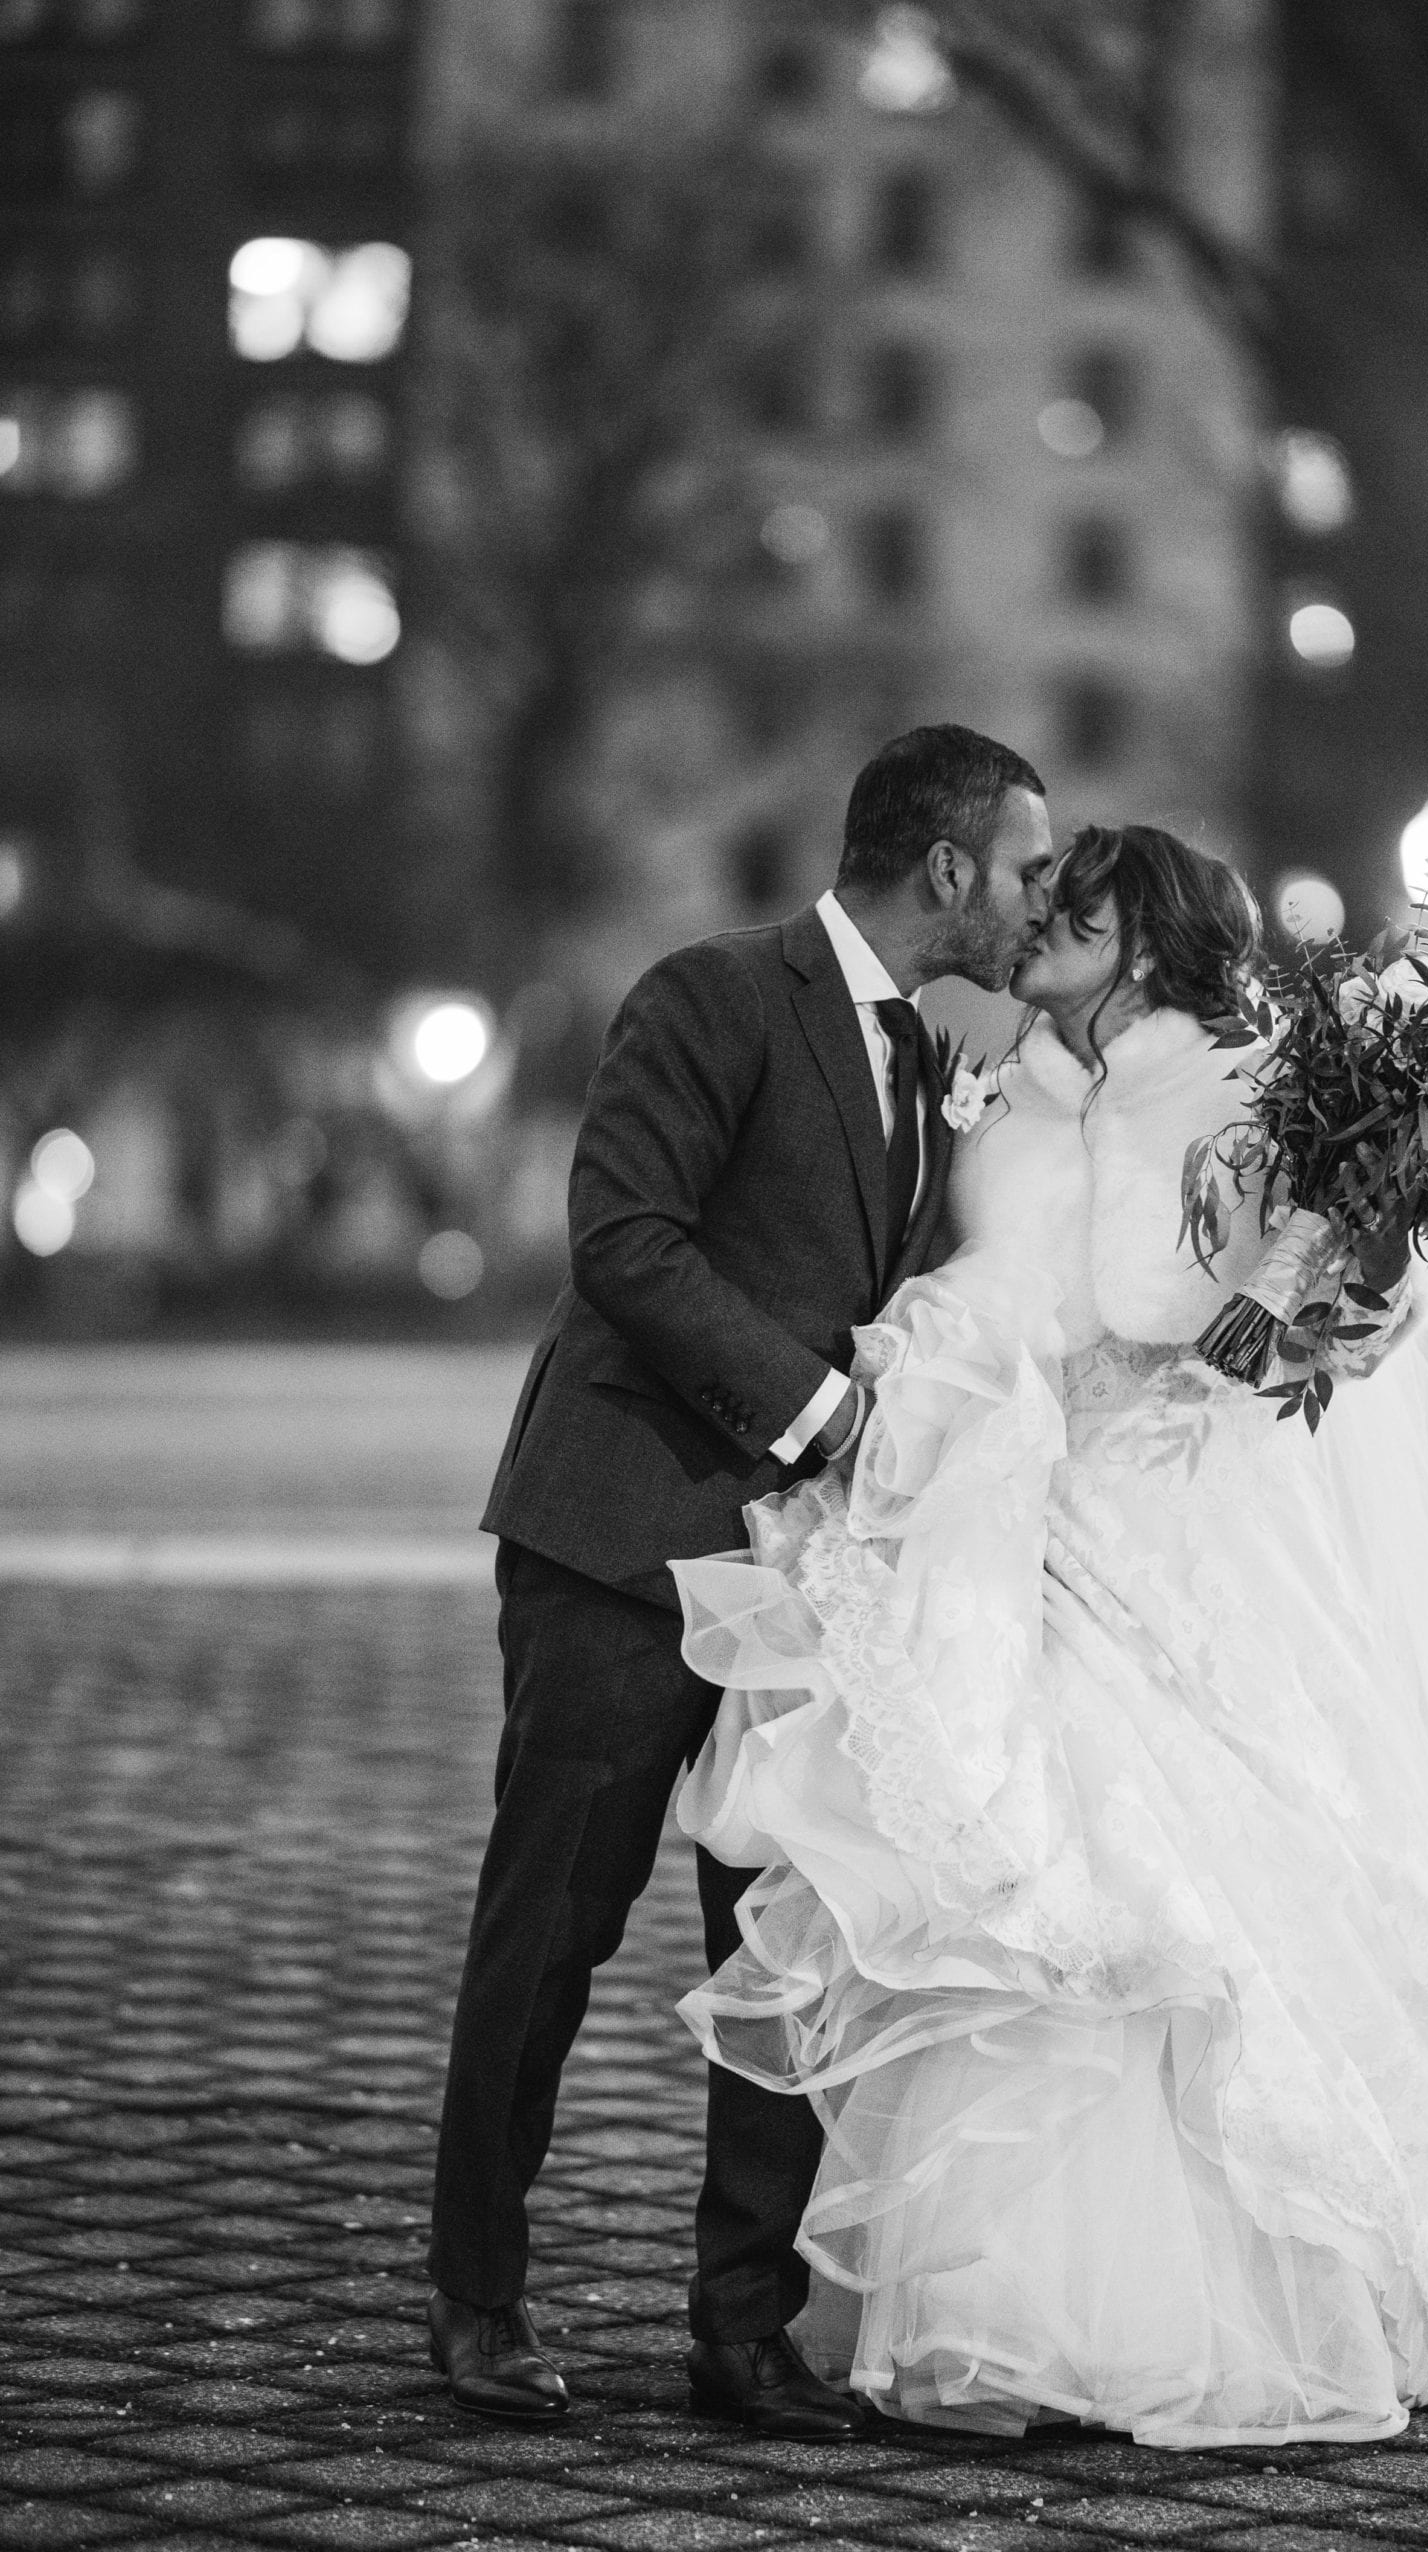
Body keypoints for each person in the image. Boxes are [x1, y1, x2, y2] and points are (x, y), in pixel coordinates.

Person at [672, 822, 1428, 2447]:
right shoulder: (1010, 1089)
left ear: (1139, 936)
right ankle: (1011, 2311)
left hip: (1195, 1532)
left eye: (1064, 910)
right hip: (1024, 1520)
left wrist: (1346, 1309)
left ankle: (1277, 2291)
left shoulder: (1257, 1078)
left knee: (1207, 1889)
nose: (1029, 929)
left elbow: (1368, 1287)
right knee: (1036, 1903)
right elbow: (991, 1275)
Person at [425, 725, 1056, 2436]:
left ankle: (739, 2328)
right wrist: (826, 1411)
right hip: (626, 1539)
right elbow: (625, 1238)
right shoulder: (712, 992)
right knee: (549, 1927)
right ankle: (478, 2298)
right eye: (1020, 866)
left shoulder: (936, 1057)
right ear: (942, 868)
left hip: (807, 1583)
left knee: (790, 1937)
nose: (1034, 898)